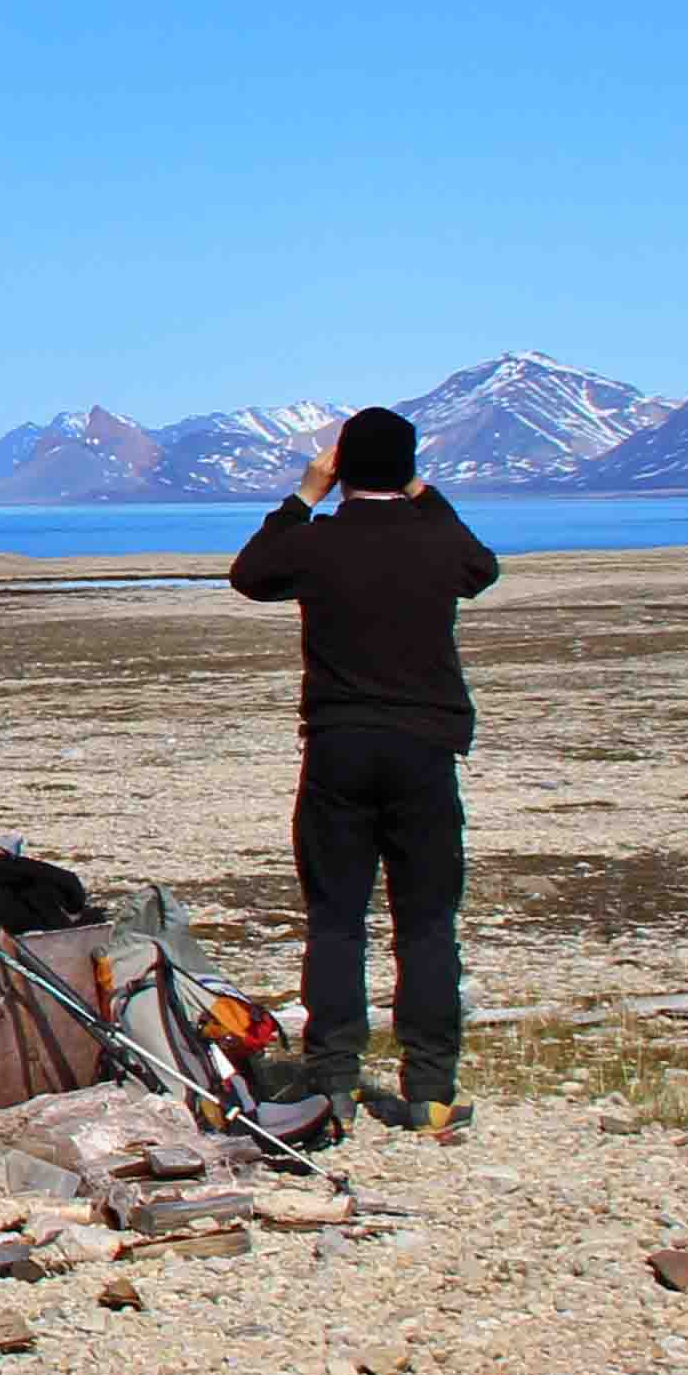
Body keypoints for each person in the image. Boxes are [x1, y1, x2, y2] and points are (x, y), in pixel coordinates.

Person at [228, 405, 501, 1136]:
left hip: (339, 748)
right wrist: (422, 493)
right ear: (408, 469)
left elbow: (250, 574)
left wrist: (303, 495)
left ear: (342, 467)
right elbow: (483, 568)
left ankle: (334, 1083)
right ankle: (431, 1087)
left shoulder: (319, 542)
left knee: (337, 919)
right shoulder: (434, 539)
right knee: (427, 923)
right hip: (423, 751)